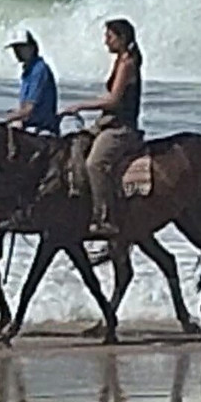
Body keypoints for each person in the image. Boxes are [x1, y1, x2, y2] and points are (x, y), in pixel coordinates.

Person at [59, 18, 144, 238]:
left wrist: (81, 105)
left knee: (96, 163)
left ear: (122, 38)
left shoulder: (128, 64)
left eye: (110, 36)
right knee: (75, 145)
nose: (106, 41)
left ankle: (105, 218)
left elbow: (114, 100)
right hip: (107, 123)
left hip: (121, 128)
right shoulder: (119, 60)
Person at [3, 30, 59, 136]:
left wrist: (4, 119)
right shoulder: (28, 71)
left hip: (41, 129)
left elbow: (29, 109)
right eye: (15, 48)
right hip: (30, 126)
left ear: (32, 47)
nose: (17, 52)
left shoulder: (39, 70)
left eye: (21, 47)